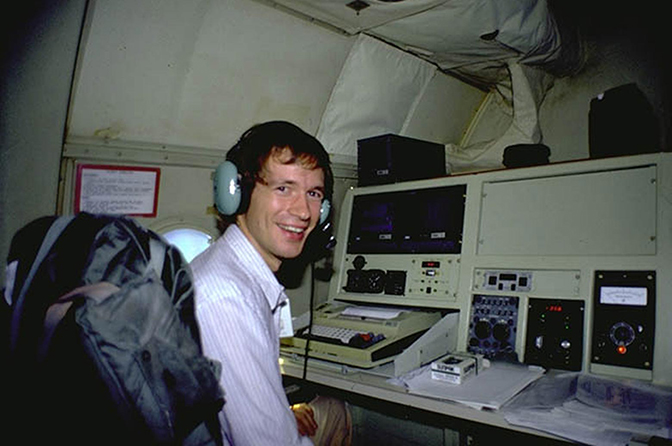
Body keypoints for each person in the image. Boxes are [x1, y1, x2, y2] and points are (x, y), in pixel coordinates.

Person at [191, 121, 350, 445]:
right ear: (237, 194)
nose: (304, 211)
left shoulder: (227, 268)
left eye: (313, 193)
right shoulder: (227, 297)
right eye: (283, 188)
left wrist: (279, 411)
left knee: (332, 409)